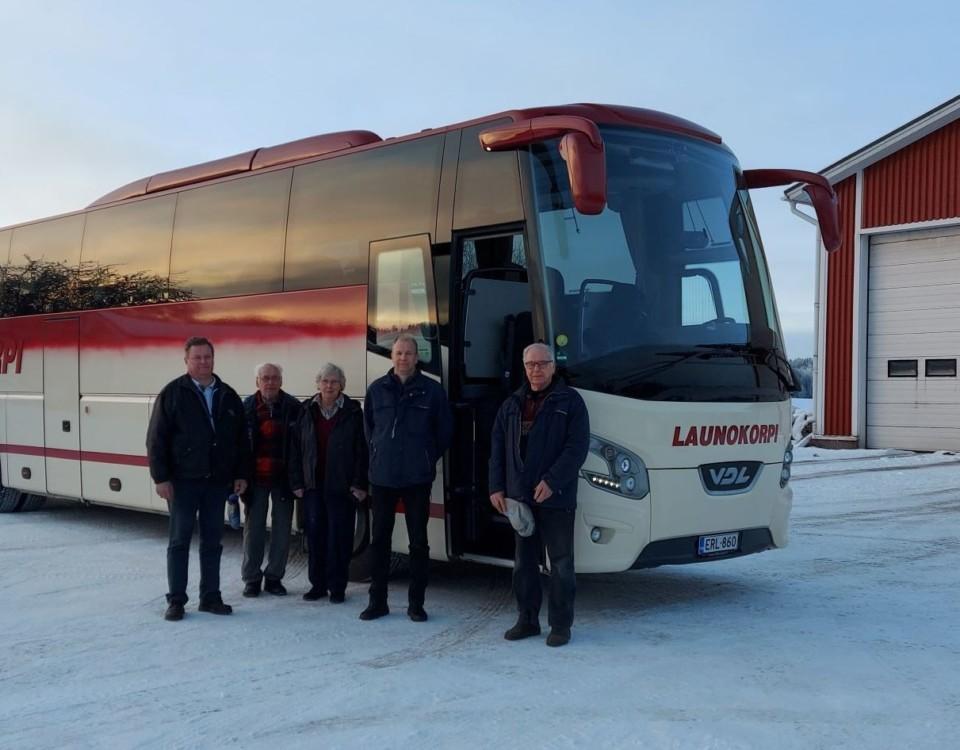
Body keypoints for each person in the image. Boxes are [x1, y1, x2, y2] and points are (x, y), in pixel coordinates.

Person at [489, 342, 590, 647]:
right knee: (524, 564)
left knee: (561, 564)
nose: (536, 370)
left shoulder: (570, 402)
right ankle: (527, 620)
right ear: (524, 368)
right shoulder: (511, 405)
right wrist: (496, 486)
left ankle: (560, 626)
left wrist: (552, 481)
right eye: (531, 364)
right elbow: (497, 449)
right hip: (520, 499)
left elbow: (576, 449)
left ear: (553, 366)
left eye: (542, 364)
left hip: (555, 497)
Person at [146, 336, 251, 622]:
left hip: (217, 482)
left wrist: (240, 473)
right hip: (183, 482)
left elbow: (241, 440)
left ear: (213, 359)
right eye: (197, 358)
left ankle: (211, 597)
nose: (203, 362)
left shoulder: (227, 395)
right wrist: (161, 477)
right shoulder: (173, 393)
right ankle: (177, 600)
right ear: (186, 361)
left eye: (207, 357)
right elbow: (156, 439)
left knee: (213, 542)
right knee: (179, 541)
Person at [360, 333, 453, 622]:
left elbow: (444, 431)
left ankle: (416, 604)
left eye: (409, 353)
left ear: (417, 357)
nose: (403, 358)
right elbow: (369, 430)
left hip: (417, 478)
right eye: (399, 353)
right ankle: (378, 602)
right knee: (380, 541)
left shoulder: (432, 391)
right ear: (392, 356)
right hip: (383, 477)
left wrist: (425, 457)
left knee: (418, 543)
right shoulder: (377, 389)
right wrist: (377, 456)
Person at [289, 363, 368, 603]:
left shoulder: (354, 412)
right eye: (325, 381)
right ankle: (318, 586)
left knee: (340, 538)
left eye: (334, 382)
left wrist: (359, 483)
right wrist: (296, 482)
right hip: (313, 486)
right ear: (318, 384)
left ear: (342, 385)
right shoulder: (305, 410)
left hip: (342, 487)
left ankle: (337, 587)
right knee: (315, 536)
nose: (329, 386)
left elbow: (362, 451)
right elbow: (294, 449)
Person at [240, 363, 302, 598]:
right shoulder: (246, 407)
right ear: (257, 382)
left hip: (284, 478)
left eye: (275, 378)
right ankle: (252, 579)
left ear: (281, 381)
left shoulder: (293, 407)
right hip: (255, 478)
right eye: (265, 378)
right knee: (253, 529)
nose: (270, 382)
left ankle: (274, 577)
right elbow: (238, 447)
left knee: (282, 530)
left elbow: (300, 445)